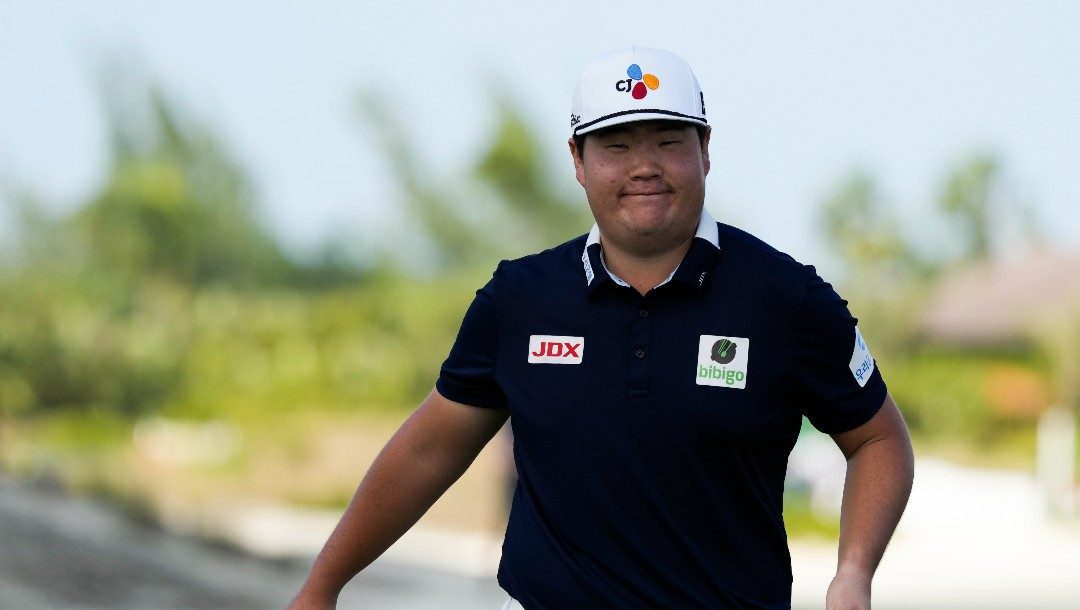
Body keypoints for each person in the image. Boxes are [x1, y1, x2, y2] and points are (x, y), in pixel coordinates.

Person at [289, 46, 914, 610]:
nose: (644, 167)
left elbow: (878, 440)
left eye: (667, 141)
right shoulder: (520, 298)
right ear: (578, 161)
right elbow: (429, 450)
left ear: (704, 149)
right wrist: (322, 587)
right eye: (616, 146)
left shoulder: (787, 298)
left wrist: (853, 573)